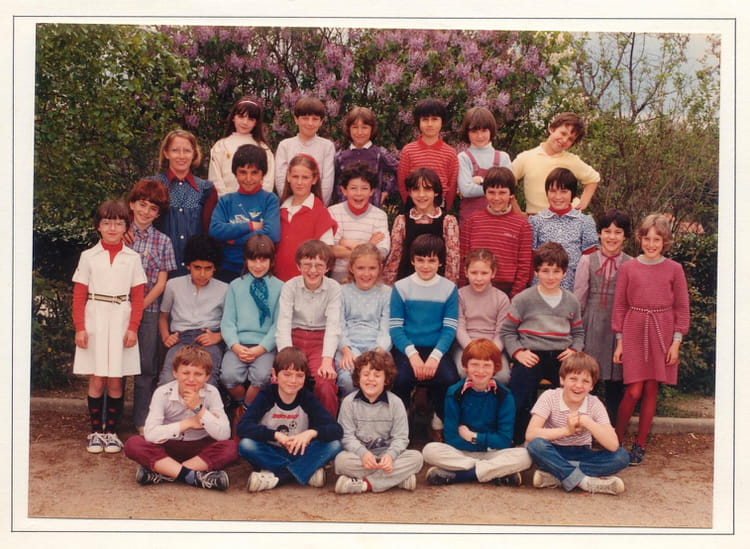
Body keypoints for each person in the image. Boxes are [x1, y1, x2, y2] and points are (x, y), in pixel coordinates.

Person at [612, 214, 690, 466]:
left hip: (662, 330)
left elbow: (682, 308)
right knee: (633, 390)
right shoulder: (628, 267)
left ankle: (640, 444)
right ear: (639, 239)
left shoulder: (674, 269)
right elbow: (620, 306)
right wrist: (620, 341)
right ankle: (615, 440)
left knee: (651, 389)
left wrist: (676, 342)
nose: (651, 244)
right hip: (634, 329)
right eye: (647, 238)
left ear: (665, 241)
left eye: (657, 239)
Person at [72, 200, 146, 453]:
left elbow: (138, 297)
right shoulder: (88, 256)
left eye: (118, 223)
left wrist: (133, 327)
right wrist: (80, 327)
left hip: (121, 320)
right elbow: (79, 295)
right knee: (97, 377)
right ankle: (96, 431)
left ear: (126, 226)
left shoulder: (133, 258)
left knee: (115, 378)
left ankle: (111, 433)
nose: (112, 228)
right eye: (107, 223)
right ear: (98, 226)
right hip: (95, 319)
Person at [500, 242, 584, 445]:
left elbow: (578, 332)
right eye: (545, 271)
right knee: (518, 394)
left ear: (564, 272)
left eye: (556, 271)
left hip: (561, 356)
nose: (550, 276)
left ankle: (567, 437)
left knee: (574, 389)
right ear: (536, 271)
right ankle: (516, 439)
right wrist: (518, 353)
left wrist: (574, 350)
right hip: (531, 354)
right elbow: (507, 331)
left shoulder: (571, 300)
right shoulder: (523, 299)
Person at [124, 345, 238, 490]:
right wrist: (189, 423)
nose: (191, 379)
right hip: (168, 446)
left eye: (198, 374)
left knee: (232, 447)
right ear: (175, 373)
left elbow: (224, 434)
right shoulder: (162, 393)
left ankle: (165, 473)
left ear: (207, 376)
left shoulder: (212, 393)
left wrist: (199, 409)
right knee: (133, 444)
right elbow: (150, 434)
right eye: (185, 373)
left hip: (200, 449)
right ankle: (192, 476)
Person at [422, 339, 532, 486]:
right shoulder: (454, 393)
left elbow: (504, 440)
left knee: (525, 456)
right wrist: (486, 442)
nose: (480, 371)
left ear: (495, 368)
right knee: (430, 450)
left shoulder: (504, 395)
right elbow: (451, 438)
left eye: (486, 366)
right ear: (465, 366)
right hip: (462, 452)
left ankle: (461, 475)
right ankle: (493, 473)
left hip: (493, 453)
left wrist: (473, 437)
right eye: (475, 365)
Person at [237, 347, 343, 492]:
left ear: (305, 377)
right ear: (274, 374)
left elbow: (336, 430)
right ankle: (306, 471)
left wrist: (310, 433)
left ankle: (278, 476)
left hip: (300, 452)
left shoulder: (306, 397)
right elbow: (243, 427)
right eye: (287, 374)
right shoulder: (267, 395)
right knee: (246, 445)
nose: (293, 381)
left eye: (299, 376)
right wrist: (275, 435)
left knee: (334, 445)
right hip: (271, 452)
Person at [525, 352, 630, 495]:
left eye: (585, 381)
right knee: (536, 445)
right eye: (573, 379)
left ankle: (558, 475)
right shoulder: (549, 396)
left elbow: (613, 445)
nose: (578, 386)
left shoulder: (594, 403)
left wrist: (587, 422)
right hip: (554, 451)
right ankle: (584, 482)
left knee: (621, 456)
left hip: (582, 453)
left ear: (592, 386)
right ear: (562, 380)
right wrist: (567, 430)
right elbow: (531, 434)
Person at [389, 233, 460, 441]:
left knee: (449, 379)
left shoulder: (449, 289)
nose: (426, 266)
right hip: (407, 348)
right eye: (420, 260)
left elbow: (449, 328)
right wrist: (412, 355)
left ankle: (438, 421)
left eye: (431, 260)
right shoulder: (401, 287)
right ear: (412, 261)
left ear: (440, 262)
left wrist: (435, 357)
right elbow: (396, 328)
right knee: (400, 378)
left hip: (437, 348)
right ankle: (402, 423)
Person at [126, 179, 178, 433]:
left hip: (148, 311)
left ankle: (141, 420)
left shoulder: (163, 241)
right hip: (117, 309)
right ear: (132, 204)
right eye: (142, 205)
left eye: (153, 209)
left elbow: (161, 283)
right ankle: (108, 421)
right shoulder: (119, 234)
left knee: (146, 367)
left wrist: (138, 307)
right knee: (115, 365)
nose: (146, 212)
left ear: (159, 214)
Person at [334, 351, 423, 494]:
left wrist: (390, 456)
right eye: (366, 374)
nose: (371, 379)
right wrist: (363, 454)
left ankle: (365, 484)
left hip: (387, 457)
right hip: (360, 457)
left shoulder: (396, 403)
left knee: (416, 458)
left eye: (377, 375)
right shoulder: (349, 402)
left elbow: (401, 437)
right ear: (358, 377)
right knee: (341, 461)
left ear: (386, 379)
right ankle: (397, 479)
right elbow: (346, 436)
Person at [573, 209, 633, 423]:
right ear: (599, 233)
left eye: (618, 232)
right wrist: (576, 330)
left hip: (618, 328)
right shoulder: (587, 261)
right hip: (592, 324)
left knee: (616, 381)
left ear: (625, 236)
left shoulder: (631, 263)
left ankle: (612, 428)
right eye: (607, 231)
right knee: (589, 376)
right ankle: (583, 427)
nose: (612, 237)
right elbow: (579, 297)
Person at [220, 234, 283, 427]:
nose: (258, 265)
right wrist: (235, 346)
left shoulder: (280, 287)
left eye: (263, 260)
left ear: (271, 261)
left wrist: (261, 348)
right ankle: (241, 404)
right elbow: (228, 321)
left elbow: (278, 324)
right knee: (228, 375)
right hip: (239, 344)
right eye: (253, 260)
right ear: (245, 260)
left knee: (263, 376)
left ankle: (245, 413)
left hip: (264, 345)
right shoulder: (236, 286)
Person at [276, 239, 342, 418]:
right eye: (307, 265)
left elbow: (333, 325)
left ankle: (327, 427)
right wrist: (286, 356)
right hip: (294, 338)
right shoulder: (290, 286)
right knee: (281, 378)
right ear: (298, 266)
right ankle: (284, 423)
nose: (313, 270)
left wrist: (327, 360)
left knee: (325, 382)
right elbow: (283, 323)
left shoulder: (334, 288)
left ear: (327, 267)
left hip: (320, 341)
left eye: (319, 265)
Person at [158, 234, 227, 387]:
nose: (202, 274)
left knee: (207, 382)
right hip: (180, 340)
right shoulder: (173, 285)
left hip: (208, 340)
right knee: (168, 380)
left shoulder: (224, 289)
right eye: (197, 268)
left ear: (215, 267)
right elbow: (163, 316)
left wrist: (218, 336)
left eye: (208, 268)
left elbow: (230, 322)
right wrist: (166, 337)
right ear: (188, 265)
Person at [150, 129, 218, 276]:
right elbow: (136, 220)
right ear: (166, 153)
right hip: (159, 269)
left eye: (187, 150)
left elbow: (210, 232)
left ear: (194, 154)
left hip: (194, 273)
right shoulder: (153, 185)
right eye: (175, 150)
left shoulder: (205, 189)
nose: (181, 156)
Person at [209, 143, 280, 282]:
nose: (248, 178)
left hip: (260, 269)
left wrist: (234, 239)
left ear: (263, 174)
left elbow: (272, 234)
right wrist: (251, 226)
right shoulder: (226, 201)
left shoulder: (270, 199)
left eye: (254, 172)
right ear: (235, 173)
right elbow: (215, 230)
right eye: (243, 172)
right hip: (228, 269)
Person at [459, 166, 532, 297]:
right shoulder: (472, 221)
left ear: (511, 194)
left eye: (502, 192)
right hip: (474, 287)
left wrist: (514, 297)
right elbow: (463, 259)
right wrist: (462, 291)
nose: (496, 198)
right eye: (491, 192)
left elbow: (524, 266)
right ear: (485, 193)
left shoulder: (522, 225)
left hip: (507, 291)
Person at [511, 111, 600, 215]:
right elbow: (505, 182)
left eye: (570, 139)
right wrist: (517, 211)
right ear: (552, 129)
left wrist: (583, 203)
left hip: (566, 219)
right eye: (563, 133)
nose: (564, 140)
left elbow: (593, 178)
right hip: (536, 219)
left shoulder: (571, 160)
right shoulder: (526, 157)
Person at [383, 167, 459, 285]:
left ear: (436, 192)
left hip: (437, 285)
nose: (421, 195)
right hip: (407, 284)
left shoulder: (448, 222)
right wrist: (388, 287)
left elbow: (452, 260)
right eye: (416, 189)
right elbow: (394, 257)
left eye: (427, 189)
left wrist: (449, 288)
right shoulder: (402, 221)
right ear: (410, 192)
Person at [529, 167, 598, 291]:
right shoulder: (536, 221)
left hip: (573, 289)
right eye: (553, 191)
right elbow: (530, 260)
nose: (558, 196)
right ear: (547, 192)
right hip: (541, 289)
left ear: (572, 193)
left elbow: (589, 261)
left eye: (564, 191)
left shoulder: (584, 222)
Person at [336, 243, 392, 397]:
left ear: (380, 268)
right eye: (360, 268)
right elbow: (338, 325)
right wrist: (346, 350)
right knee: (349, 380)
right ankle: (350, 408)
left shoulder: (386, 293)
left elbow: (386, 328)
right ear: (351, 268)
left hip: (377, 348)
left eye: (372, 268)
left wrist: (378, 352)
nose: (366, 274)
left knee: (377, 378)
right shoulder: (341, 292)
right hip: (349, 348)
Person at [274, 154, 337, 282]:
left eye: (305, 177)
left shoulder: (320, 212)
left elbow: (326, 253)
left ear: (314, 179)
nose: (299, 182)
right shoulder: (279, 208)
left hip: (306, 283)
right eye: (295, 176)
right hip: (278, 280)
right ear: (288, 177)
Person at [453, 249, 511, 385]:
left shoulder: (501, 298)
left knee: (502, 376)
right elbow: (459, 327)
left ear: (493, 273)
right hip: (466, 346)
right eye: (474, 273)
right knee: (464, 372)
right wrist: (473, 350)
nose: (479, 278)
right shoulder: (459, 295)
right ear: (466, 272)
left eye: (484, 273)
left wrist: (490, 352)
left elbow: (501, 331)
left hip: (493, 347)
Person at [328, 161, 390, 282]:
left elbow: (382, 252)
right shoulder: (333, 212)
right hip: (338, 275)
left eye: (364, 188)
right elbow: (332, 250)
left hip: (368, 276)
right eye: (353, 188)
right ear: (344, 190)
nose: (359, 193)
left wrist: (346, 242)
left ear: (371, 191)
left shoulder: (379, 216)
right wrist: (369, 245)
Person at [396, 98, 459, 210]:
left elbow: (452, 186)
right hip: (414, 206)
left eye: (434, 119)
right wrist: (411, 205)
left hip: (439, 207)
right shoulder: (408, 151)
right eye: (425, 120)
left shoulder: (450, 153)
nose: (430, 124)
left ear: (442, 122)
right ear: (418, 122)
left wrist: (445, 209)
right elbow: (402, 183)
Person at [456, 106, 511, 229]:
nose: (480, 136)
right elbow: (466, 191)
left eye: (484, 130)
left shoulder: (503, 157)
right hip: (471, 222)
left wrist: (481, 181)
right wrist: (496, 186)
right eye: (474, 131)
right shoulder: (463, 158)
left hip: (499, 220)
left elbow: (508, 188)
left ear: (491, 131)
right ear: (467, 133)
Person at [274, 95, 336, 205]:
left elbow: (327, 182)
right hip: (290, 206)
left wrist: (317, 206)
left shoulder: (327, 146)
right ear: (296, 119)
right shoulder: (285, 145)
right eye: (305, 118)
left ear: (321, 122)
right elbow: (280, 180)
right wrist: (291, 204)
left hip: (317, 207)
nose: (310, 123)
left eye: (315, 119)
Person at [208, 96, 275, 195]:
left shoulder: (263, 148)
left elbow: (268, 181)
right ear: (233, 118)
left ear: (256, 122)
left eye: (250, 119)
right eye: (241, 117)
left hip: (256, 202)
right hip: (226, 201)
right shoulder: (221, 146)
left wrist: (259, 199)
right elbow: (215, 178)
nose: (245, 122)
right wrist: (226, 200)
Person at [333, 106, 399, 206]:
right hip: (345, 211)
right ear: (348, 129)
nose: (359, 132)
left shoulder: (379, 154)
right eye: (355, 127)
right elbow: (335, 183)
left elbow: (400, 171)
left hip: (372, 210)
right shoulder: (341, 156)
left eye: (364, 127)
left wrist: (387, 191)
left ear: (372, 129)